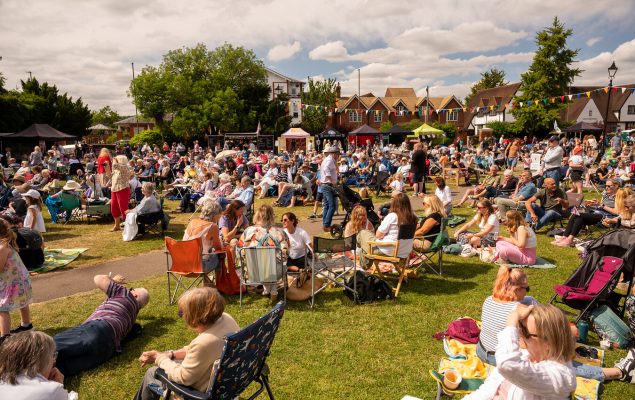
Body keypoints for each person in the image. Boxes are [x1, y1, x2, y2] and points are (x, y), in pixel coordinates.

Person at [135, 287, 239, 400]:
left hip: (199, 394)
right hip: (227, 385)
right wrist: (170, 355)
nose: (183, 316)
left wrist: (159, 358)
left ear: (194, 317)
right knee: (169, 363)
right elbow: (193, 350)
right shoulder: (226, 319)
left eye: (182, 313)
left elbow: (183, 378)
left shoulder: (203, 344)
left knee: (152, 373)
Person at [466, 304, 576, 400]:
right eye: (520, 327)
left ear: (549, 342)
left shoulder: (560, 377)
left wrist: (511, 324)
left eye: (524, 331)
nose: (518, 333)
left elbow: (507, 365)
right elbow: (489, 388)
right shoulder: (526, 353)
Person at [53, 274, 149, 376]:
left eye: (132, 289)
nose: (129, 290)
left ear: (135, 295)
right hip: (107, 351)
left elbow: (98, 279)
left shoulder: (125, 294)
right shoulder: (132, 317)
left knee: (47, 347)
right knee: (58, 370)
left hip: (98, 330)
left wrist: (113, 280)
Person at [476, 266, 537, 366]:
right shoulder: (519, 310)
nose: (527, 292)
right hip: (499, 360)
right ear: (517, 289)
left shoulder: (488, 299)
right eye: (527, 288)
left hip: (481, 351)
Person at [0, 331, 76, 399]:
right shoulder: (51, 390)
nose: (54, 360)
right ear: (39, 361)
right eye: (53, 355)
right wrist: (58, 384)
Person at [237, 205, 290, 299]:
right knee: (276, 263)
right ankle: (272, 288)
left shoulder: (248, 231)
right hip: (276, 272)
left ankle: (268, 288)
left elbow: (239, 252)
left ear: (257, 215)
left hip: (252, 272)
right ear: (272, 216)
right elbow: (286, 253)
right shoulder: (280, 232)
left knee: (259, 263)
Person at [552, 183, 626, 247]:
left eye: (609, 186)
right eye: (606, 186)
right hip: (597, 212)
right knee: (577, 214)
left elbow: (617, 212)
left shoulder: (619, 196)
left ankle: (569, 239)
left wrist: (601, 205)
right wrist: (595, 205)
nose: (606, 187)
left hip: (607, 217)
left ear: (616, 186)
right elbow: (601, 206)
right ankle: (565, 237)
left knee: (579, 215)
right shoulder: (606, 194)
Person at [356, 192, 417, 268]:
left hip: (388, 250)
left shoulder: (392, 216)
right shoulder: (413, 217)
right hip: (404, 251)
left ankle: (362, 262)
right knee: (366, 242)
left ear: (394, 203)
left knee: (362, 233)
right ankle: (361, 251)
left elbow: (378, 235)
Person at [0, 219, 33, 341]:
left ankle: (5, 336)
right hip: (19, 281)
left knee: (2, 308)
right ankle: (26, 324)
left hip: (12, 283)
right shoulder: (6, 243)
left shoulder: (2, 247)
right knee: (23, 302)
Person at [183, 200, 224, 281]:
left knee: (206, 255)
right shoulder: (212, 226)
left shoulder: (192, 222)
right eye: (219, 216)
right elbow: (218, 247)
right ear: (215, 215)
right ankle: (219, 284)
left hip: (182, 264)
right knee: (221, 256)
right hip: (198, 266)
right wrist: (221, 242)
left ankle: (208, 283)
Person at [319, 145, 340, 232]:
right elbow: (326, 169)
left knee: (327, 206)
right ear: (334, 153)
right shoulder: (330, 160)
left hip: (325, 185)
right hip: (328, 185)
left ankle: (325, 224)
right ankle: (327, 225)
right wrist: (331, 180)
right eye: (338, 154)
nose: (338, 156)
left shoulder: (329, 159)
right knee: (332, 206)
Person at [110, 155, 132, 232]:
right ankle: (117, 225)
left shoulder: (125, 167)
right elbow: (110, 176)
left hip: (123, 189)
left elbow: (115, 165)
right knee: (114, 208)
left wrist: (114, 160)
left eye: (116, 159)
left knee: (123, 208)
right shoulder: (116, 170)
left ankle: (129, 226)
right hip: (114, 190)